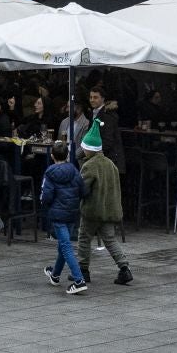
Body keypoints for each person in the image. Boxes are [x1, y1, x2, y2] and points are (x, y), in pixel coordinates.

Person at [76, 122, 132, 286]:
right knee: (110, 240)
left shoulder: (89, 166)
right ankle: (124, 268)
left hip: (92, 211)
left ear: (90, 149)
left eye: (84, 147)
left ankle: (83, 270)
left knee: (84, 238)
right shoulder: (111, 164)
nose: (82, 150)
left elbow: (83, 189)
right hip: (109, 210)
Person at [39, 140, 89, 295]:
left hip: (58, 213)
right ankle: (55, 275)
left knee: (66, 246)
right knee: (63, 245)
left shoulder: (50, 173)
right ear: (67, 155)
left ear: (52, 155)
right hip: (72, 212)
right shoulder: (75, 171)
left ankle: (79, 280)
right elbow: (83, 191)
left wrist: (46, 206)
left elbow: (46, 196)